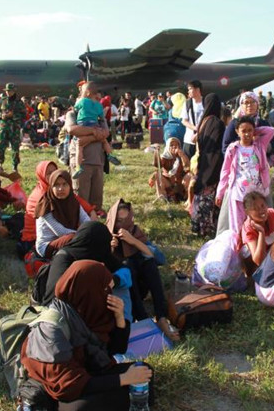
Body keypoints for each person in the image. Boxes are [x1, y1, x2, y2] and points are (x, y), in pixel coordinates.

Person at [21, 260, 153, 410]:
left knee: (144, 372)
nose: (109, 293)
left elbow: (117, 349)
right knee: (82, 407)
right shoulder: (51, 328)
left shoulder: (91, 309)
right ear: (88, 290)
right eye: (105, 288)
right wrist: (123, 379)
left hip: (89, 372)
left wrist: (120, 318)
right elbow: (68, 385)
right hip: (61, 388)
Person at [106, 199, 178, 341]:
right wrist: (110, 249)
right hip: (122, 290)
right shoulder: (105, 234)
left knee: (149, 262)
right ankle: (143, 319)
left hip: (141, 285)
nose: (122, 225)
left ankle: (161, 317)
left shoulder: (134, 231)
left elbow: (158, 258)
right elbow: (103, 267)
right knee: (127, 268)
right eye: (118, 221)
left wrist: (133, 241)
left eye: (126, 220)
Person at [216, 115, 274, 235]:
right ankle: (238, 244)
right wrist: (220, 192)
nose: (247, 134)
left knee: (256, 221)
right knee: (237, 225)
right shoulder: (233, 149)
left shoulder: (259, 145)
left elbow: (271, 130)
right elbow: (225, 171)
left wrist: (254, 130)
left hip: (256, 192)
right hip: (238, 193)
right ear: (237, 131)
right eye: (243, 131)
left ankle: (253, 243)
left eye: (250, 130)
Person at [35, 170, 91, 259]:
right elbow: (61, 231)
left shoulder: (73, 202)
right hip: (47, 246)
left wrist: (91, 230)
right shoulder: (46, 205)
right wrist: (83, 235)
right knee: (74, 238)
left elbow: (86, 220)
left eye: (64, 184)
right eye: (56, 185)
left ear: (70, 185)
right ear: (51, 187)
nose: (61, 189)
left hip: (70, 239)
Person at [190, 93, 225, 238]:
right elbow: (217, 147)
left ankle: (197, 226)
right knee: (210, 196)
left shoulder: (204, 121)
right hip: (213, 164)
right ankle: (208, 229)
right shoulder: (217, 123)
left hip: (203, 162)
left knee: (202, 195)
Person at [72, 82, 119, 179]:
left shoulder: (83, 101)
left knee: (79, 146)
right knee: (104, 140)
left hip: (83, 125)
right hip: (95, 124)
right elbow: (101, 117)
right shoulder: (98, 105)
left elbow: (75, 108)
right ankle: (110, 154)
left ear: (87, 93)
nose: (81, 94)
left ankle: (78, 167)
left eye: (82, 92)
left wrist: (79, 101)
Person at [66, 108, 109, 215]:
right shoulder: (72, 114)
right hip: (81, 161)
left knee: (97, 192)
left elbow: (105, 133)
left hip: (98, 159)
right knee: (81, 193)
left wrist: (88, 138)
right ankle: (82, 215)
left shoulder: (98, 116)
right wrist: (95, 132)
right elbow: (73, 130)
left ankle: (96, 212)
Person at [240, 191, 274, 268]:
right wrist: (261, 232)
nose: (261, 211)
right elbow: (258, 261)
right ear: (247, 212)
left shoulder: (272, 214)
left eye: (263, 206)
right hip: (255, 265)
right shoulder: (248, 228)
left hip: (273, 255)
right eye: (255, 209)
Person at [148, 137, 190, 202]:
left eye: (176, 145)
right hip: (169, 183)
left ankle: (182, 196)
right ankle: (162, 196)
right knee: (156, 174)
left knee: (189, 175)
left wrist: (182, 155)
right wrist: (156, 152)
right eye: (171, 145)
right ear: (168, 147)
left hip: (180, 183)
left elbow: (187, 165)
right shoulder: (165, 157)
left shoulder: (181, 156)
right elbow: (157, 165)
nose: (174, 147)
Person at [0, 83, 26, 172]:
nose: (8, 92)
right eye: (7, 91)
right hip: (3, 127)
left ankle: (15, 166)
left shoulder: (19, 102)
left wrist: (13, 116)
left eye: (9, 91)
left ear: (14, 91)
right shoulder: (3, 100)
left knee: (15, 147)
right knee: (0, 146)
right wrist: (1, 115)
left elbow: (23, 114)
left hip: (14, 128)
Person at [182, 80, 204, 158]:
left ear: (197, 89)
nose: (188, 91)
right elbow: (184, 121)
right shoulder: (187, 103)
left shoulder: (206, 103)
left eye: (190, 89)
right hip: (189, 140)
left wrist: (200, 130)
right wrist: (195, 128)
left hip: (203, 140)